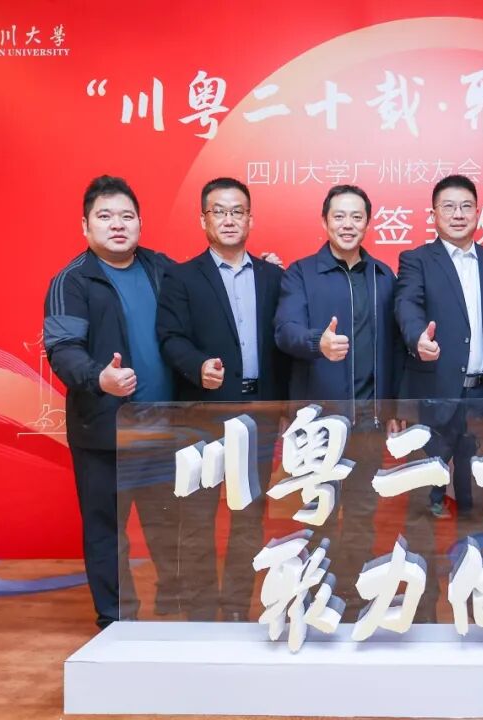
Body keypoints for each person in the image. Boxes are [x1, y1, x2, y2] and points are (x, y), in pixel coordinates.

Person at [43, 175, 179, 628]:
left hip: (165, 427)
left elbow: (204, 298)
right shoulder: (72, 281)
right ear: (86, 226)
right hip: (104, 431)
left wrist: (264, 270)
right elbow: (63, 350)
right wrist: (99, 378)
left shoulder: (162, 269)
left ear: (140, 223)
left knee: (170, 526)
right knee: (106, 530)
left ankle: (179, 610)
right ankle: (115, 621)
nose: (117, 225)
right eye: (105, 216)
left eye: (126, 216)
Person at [156, 177, 290, 621]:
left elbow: (284, 344)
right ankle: (200, 612)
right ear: (204, 220)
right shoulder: (181, 277)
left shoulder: (274, 277)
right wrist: (197, 366)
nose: (229, 220)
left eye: (237, 211)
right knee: (197, 516)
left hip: (259, 414)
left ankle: (235, 608)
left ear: (250, 219)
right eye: (219, 211)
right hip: (203, 414)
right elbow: (170, 338)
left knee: (248, 517)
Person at [274, 184, 402, 616]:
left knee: (363, 513)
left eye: (356, 217)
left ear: (368, 222)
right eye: (339, 216)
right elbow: (285, 331)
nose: (348, 225)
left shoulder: (382, 277)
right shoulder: (301, 274)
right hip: (318, 425)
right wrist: (318, 342)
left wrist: (393, 408)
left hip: (369, 421)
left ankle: (350, 592)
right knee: (318, 514)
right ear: (325, 221)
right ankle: (314, 597)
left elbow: (395, 349)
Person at [394, 174, 483, 519]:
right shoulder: (416, 259)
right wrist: (418, 337)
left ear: (478, 213)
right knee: (426, 493)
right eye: (448, 207)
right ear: (433, 214)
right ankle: (427, 547)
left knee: (475, 489)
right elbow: (407, 304)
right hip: (435, 391)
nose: (458, 214)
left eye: (466, 206)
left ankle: (472, 536)